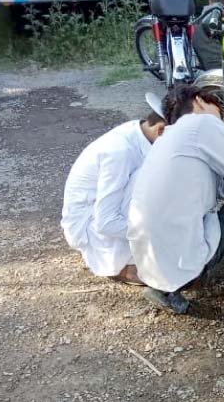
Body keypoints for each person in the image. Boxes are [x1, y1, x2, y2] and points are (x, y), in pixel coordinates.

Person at [127, 84, 224, 314]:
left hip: (150, 269)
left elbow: (221, 191)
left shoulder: (169, 140)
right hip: (188, 268)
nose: (223, 121)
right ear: (199, 101)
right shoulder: (203, 124)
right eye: (219, 111)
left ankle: (166, 289)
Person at [61, 102, 166, 285]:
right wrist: (158, 233)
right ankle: (126, 265)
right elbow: (106, 222)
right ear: (161, 130)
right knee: (151, 175)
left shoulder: (140, 131)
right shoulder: (120, 151)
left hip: (106, 215)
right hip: (90, 226)